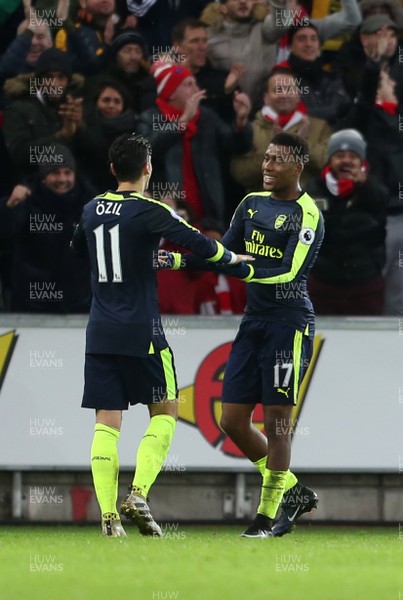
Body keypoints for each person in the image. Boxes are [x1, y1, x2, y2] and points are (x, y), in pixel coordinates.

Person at [71, 132, 252, 537]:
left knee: (106, 422)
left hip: (100, 330)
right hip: (143, 331)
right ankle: (137, 493)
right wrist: (234, 262)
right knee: (166, 411)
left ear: (113, 169)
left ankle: (107, 518)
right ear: (148, 169)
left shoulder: (89, 210)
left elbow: (83, 250)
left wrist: (151, 260)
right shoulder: (152, 210)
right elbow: (202, 244)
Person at [165, 132, 324, 537]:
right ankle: (293, 490)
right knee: (232, 420)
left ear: (298, 166)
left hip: (289, 324)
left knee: (277, 423)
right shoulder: (250, 204)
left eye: (277, 160)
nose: (267, 165)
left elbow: (290, 271)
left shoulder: (308, 214)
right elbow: (223, 254)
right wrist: (176, 258)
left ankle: (267, 518)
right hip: (253, 322)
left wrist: (245, 268)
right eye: (266, 157)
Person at [136, 63, 252, 224]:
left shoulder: (207, 117)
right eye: (188, 84)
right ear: (171, 92)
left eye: (195, 83)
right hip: (170, 208)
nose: (196, 89)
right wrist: (182, 122)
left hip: (208, 210)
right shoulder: (149, 118)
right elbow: (147, 151)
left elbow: (236, 145)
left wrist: (241, 121)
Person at [0, 144, 93, 312]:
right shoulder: (25, 201)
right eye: (55, 173)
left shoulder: (91, 203)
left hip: (79, 305)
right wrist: (9, 207)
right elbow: (5, 237)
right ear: (43, 177)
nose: (62, 179)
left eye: (67, 173)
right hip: (32, 307)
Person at [306, 129, 387, 315]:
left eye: (353, 156)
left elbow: (376, 222)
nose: (346, 161)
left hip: (365, 285)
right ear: (330, 159)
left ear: (361, 161)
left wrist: (363, 187)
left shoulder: (374, 189)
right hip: (323, 286)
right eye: (339, 155)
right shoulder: (314, 190)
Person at [231, 68, 331, 193]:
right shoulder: (251, 129)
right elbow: (239, 174)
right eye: (277, 90)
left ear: (298, 95)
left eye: (289, 89)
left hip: (305, 205)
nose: (284, 94)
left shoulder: (319, 126)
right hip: (263, 206)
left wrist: (300, 145)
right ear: (266, 98)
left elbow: (326, 165)